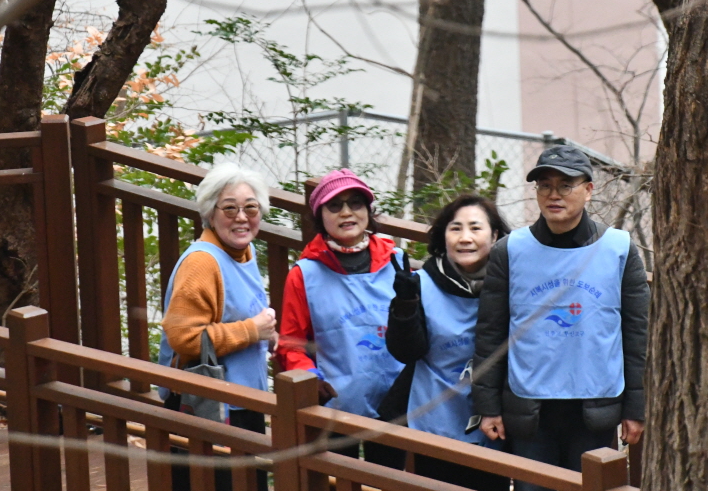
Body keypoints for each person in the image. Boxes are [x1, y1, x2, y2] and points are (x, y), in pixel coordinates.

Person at [471, 146, 649, 491]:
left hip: (596, 406)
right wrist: (487, 406)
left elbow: (636, 334)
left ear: (589, 190)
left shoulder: (619, 248)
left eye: (566, 185)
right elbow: (491, 333)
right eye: (544, 186)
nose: (554, 195)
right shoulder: (510, 250)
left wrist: (635, 408)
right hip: (530, 409)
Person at [157, 162, 276, 491]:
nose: (242, 217)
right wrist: (252, 331)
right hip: (210, 407)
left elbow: (237, 315)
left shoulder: (243, 251)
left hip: (242, 402)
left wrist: (267, 335)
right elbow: (184, 337)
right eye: (230, 208)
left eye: (250, 207)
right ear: (210, 213)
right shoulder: (201, 263)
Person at [276, 168, 406, 469]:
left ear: (368, 210)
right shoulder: (304, 274)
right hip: (333, 409)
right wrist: (312, 380)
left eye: (355, 203)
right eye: (334, 206)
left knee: (391, 481)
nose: (346, 213)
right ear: (319, 216)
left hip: (395, 404)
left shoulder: (397, 261)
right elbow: (291, 344)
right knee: (336, 480)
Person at [386, 194, 512, 491]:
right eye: (455, 228)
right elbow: (406, 352)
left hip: (495, 418)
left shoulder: (512, 283)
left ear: (495, 236)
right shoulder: (421, 283)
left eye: (475, 228)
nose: (465, 238)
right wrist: (405, 304)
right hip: (434, 415)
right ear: (443, 237)